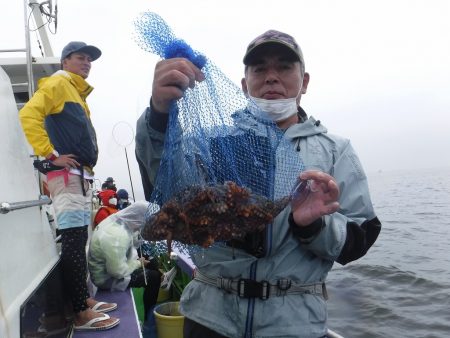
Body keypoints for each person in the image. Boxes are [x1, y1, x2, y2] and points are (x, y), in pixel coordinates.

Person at [136, 30, 382, 338]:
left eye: (284, 67)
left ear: (304, 81)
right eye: (259, 69)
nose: (271, 77)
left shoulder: (335, 150)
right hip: (209, 320)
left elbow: (359, 238)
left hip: (295, 327)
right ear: (244, 84)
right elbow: (166, 191)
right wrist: (159, 116)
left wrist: (312, 226)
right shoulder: (211, 141)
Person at [19, 41, 119, 331]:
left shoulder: (74, 90)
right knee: (74, 243)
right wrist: (51, 155)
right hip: (67, 177)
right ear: (65, 61)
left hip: (79, 178)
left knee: (78, 241)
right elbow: (28, 115)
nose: (86, 63)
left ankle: (82, 301)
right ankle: (78, 312)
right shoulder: (59, 82)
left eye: (89, 59)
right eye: (80, 58)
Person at [88, 201, 177, 338]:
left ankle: (163, 279)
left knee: (151, 261)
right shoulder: (116, 235)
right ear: (141, 218)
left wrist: (143, 241)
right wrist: (138, 263)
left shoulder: (120, 222)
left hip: (114, 265)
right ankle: (148, 318)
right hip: (107, 279)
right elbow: (117, 271)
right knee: (152, 278)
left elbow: (132, 241)